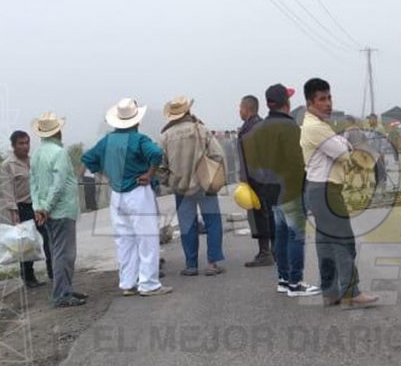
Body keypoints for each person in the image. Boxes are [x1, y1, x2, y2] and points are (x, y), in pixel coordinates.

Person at [300, 78, 379, 308]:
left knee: (326, 242)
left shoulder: (319, 124)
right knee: (344, 241)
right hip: (325, 189)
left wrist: (346, 145)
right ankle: (350, 291)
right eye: (322, 99)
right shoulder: (315, 127)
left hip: (321, 188)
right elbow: (343, 152)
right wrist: (347, 146)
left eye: (329, 97)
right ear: (310, 103)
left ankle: (331, 291)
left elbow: (343, 146)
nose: (328, 103)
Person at [82, 98, 171, 297]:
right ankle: (148, 283)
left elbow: (88, 159)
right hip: (138, 191)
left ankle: (127, 283)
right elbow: (157, 153)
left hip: (117, 195)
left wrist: (107, 174)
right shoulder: (139, 139)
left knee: (124, 240)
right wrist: (150, 174)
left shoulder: (106, 140)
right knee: (147, 238)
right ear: (136, 120)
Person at [244, 84, 320, 297]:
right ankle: (295, 283)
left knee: (281, 235)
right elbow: (298, 162)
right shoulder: (291, 128)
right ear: (286, 103)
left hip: (270, 192)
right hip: (291, 190)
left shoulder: (259, 129)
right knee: (295, 236)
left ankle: (284, 279)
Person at [158, 96, 226, 277]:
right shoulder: (200, 129)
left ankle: (191, 265)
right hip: (205, 186)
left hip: (181, 189)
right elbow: (218, 155)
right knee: (213, 223)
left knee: (187, 226)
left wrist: (169, 182)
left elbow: (161, 167)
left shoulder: (165, 136)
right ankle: (212, 263)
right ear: (188, 111)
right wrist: (212, 174)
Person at [29, 113, 86, 308]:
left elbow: (34, 184)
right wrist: (46, 207)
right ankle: (61, 294)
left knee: (57, 252)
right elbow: (59, 184)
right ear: (58, 132)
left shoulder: (36, 154)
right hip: (61, 210)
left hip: (47, 211)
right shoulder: (59, 153)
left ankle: (65, 289)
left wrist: (39, 207)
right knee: (65, 254)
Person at [1, 130, 53, 288]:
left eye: (27, 142)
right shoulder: (8, 165)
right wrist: (13, 212)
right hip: (22, 207)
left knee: (48, 237)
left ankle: (53, 271)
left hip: (38, 206)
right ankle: (28, 277)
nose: (25, 146)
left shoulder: (33, 161)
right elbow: (7, 190)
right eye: (21, 143)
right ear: (13, 146)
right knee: (26, 243)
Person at [237, 95, 275, 267]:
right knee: (266, 214)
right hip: (263, 179)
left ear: (247, 108)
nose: (239, 111)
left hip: (257, 180)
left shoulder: (253, 128)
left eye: (240, 108)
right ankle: (271, 251)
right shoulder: (261, 126)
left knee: (260, 216)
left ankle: (265, 253)